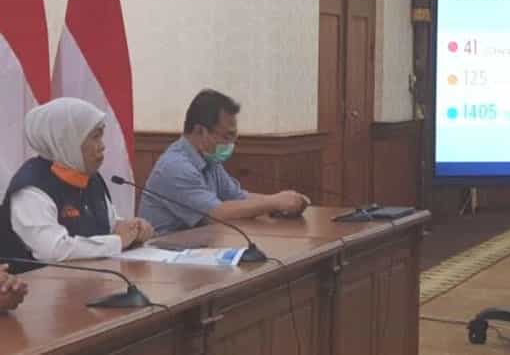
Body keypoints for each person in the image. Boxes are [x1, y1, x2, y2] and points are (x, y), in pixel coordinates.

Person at [0, 98, 154, 274]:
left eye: (101, 136)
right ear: (67, 140)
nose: (102, 146)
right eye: (95, 137)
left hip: (91, 280)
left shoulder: (90, 177)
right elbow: (52, 250)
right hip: (36, 286)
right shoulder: (31, 188)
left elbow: (108, 224)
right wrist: (117, 241)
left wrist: (132, 229)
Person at [139, 89, 309, 235]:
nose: (231, 144)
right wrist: (273, 202)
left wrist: (282, 202)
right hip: (164, 255)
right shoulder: (176, 167)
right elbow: (216, 214)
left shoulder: (208, 159)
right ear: (200, 131)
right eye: (227, 136)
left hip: (195, 249)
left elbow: (238, 197)